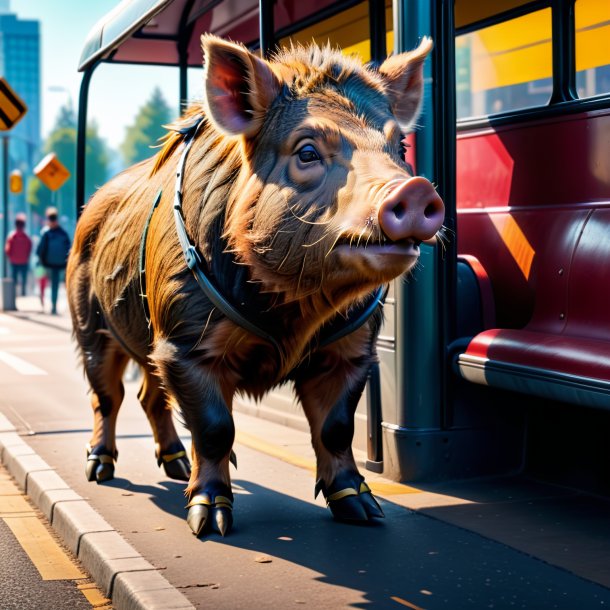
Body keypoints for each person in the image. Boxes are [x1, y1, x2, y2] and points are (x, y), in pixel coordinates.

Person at [36, 207, 71, 315]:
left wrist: (40, 261)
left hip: (48, 264)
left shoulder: (45, 233)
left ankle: (50, 305)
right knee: (54, 285)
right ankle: (53, 305)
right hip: (59, 263)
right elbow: (69, 249)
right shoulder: (63, 233)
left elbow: (39, 250)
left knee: (46, 284)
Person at [4, 213, 32, 297]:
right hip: (24, 261)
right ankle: (23, 292)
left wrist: (10, 257)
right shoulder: (26, 237)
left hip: (14, 261)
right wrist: (26, 256)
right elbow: (29, 248)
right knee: (23, 278)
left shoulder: (12, 236)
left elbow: (7, 250)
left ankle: (14, 294)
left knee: (14, 279)